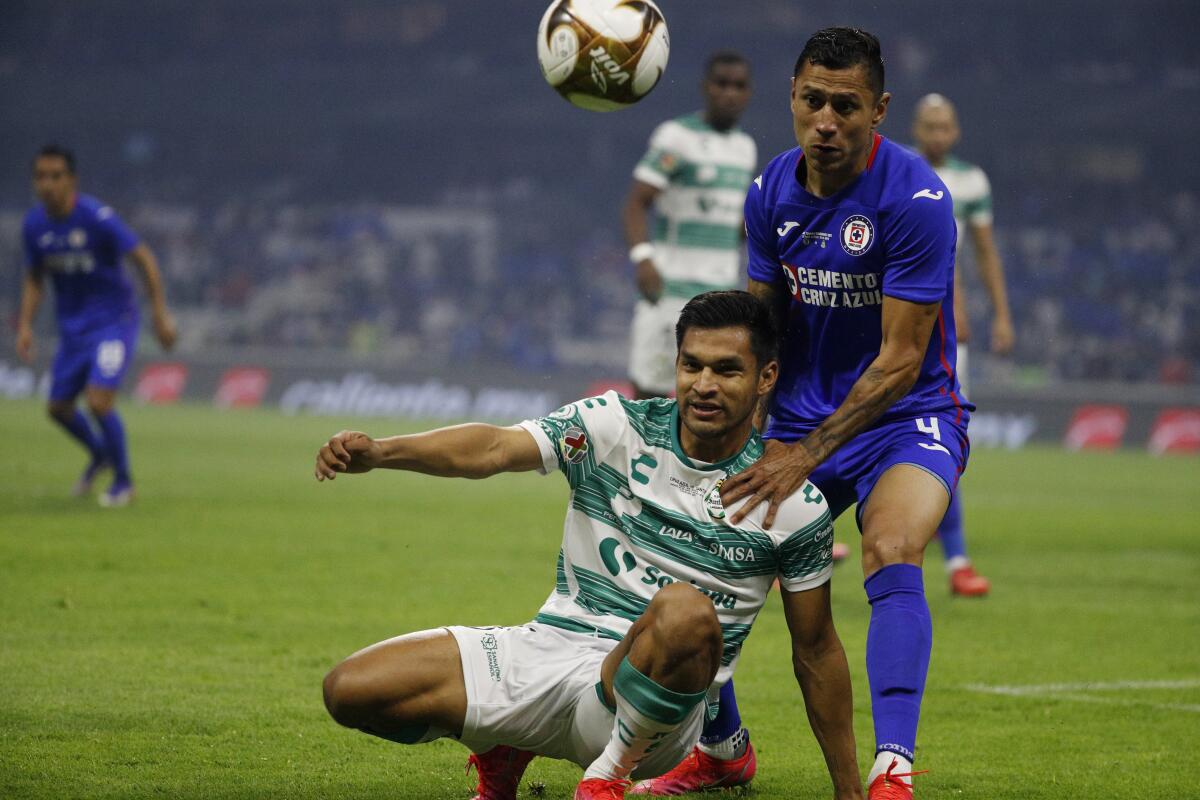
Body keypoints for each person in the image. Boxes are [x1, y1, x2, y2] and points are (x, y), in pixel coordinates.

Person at [314, 291, 863, 800]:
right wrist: (382, 452)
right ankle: (501, 746)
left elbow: (816, 651)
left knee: (684, 609)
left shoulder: (795, 506)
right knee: (351, 690)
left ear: (766, 376)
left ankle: (606, 777)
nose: (703, 384)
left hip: (652, 713)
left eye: (726, 370)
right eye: (691, 365)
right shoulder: (613, 425)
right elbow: (495, 448)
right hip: (551, 647)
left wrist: (848, 791)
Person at [638, 29, 968, 799]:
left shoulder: (916, 201)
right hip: (797, 421)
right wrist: (726, 419)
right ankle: (723, 751)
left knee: (889, 546)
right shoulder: (769, 193)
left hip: (906, 414)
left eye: (845, 106)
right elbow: (762, 331)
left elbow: (899, 361)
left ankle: (892, 768)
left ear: (877, 111)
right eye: (812, 101)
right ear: (792, 99)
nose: (825, 121)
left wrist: (802, 454)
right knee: (700, 560)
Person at [16, 144, 177, 506]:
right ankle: (100, 453)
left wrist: (159, 312)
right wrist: (25, 324)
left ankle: (123, 481)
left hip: (113, 322)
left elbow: (143, 256)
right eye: (41, 176)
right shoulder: (34, 225)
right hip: (73, 330)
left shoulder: (96, 218)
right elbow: (34, 278)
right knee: (57, 409)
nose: (48, 184)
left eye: (56, 176)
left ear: (71, 180)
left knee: (98, 400)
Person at [912, 92, 1015, 597]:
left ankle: (956, 561)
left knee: (943, 439)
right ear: (916, 128)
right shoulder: (897, 171)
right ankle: (801, 543)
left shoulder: (971, 181)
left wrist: (1000, 314)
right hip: (890, 328)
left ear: (955, 131)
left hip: (947, 334)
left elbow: (984, 253)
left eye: (945, 126)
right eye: (930, 126)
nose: (938, 134)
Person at [624, 51, 756, 399]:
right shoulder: (675, 137)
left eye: (738, 86)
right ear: (706, 87)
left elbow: (734, 223)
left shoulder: (745, 148)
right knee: (649, 395)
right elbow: (637, 202)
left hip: (719, 297)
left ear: (748, 93)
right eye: (722, 84)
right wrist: (643, 258)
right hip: (669, 290)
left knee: (712, 395)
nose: (730, 92)